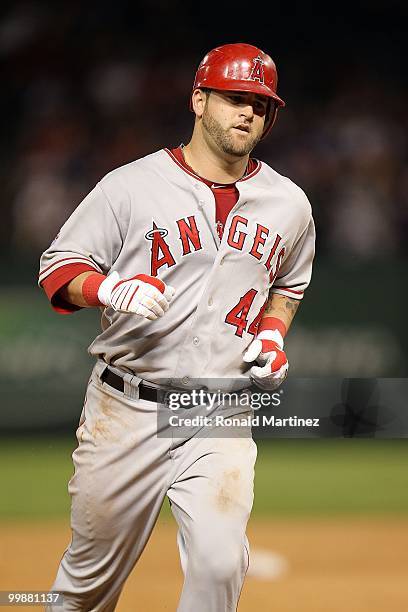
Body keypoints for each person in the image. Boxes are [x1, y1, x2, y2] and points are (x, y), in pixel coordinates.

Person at [39, 42, 315, 612]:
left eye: (261, 106)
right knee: (85, 590)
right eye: (235, 98)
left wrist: (272, 335)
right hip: (127, 409)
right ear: (198, 99)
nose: (248, 113)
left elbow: (288, 284)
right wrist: (105, 288)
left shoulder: (289, 204)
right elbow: (58, 266)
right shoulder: (131, 186)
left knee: (219, 566)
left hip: (219, 408)